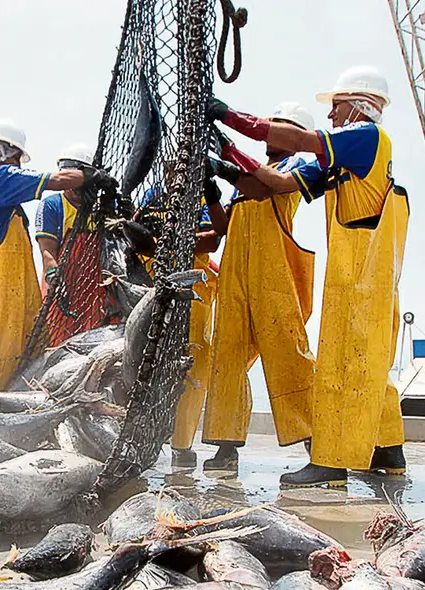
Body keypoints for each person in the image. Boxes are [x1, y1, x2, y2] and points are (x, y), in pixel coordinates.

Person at [208, 66, 408, 487]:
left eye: (335, 107)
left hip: (361, 274)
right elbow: (275, 185)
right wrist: (226, 156)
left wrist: (229, 116)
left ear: (358, 105)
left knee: (341, 361)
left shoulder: (364, 136)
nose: (332, 117)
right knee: (370, 362)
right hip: (361, 272)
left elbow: (299, 142)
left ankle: (331, 464)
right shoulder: (343, 156)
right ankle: (388, 450)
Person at [0, 120, 115, 414]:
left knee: (17, 359)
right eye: (17, 158)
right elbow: (55, 180)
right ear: (5, 151)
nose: (18, 165)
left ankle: (0, 419)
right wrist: (90, 176)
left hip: (6, 294)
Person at [200, 103, 317, 472]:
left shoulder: (295, 167)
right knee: (227, 356)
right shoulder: (247, 183)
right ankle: (226, 446)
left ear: (294, 134)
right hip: (236, 278)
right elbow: (224, 226)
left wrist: (225, 159)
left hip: (274, 279)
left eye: (277, 126)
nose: (270, 131)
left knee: (287, 355)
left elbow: (265, 187)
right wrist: (212, 188)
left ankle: (318, 443)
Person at [134, 167, 227, 468]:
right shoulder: (152, 197)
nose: (174, 171)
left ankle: (182, 444)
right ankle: (145, 436)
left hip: (193, 292)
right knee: (148, 361)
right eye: (169, 166)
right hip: (153, 288)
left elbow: (212, 240)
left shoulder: (201, 198)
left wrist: (167, 239)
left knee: (193, 363)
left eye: (180, 166)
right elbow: (140, 241)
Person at [34, 144, 98, 296]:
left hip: (96, 287)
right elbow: (47, 249)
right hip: (61, 284)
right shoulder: (52, 205)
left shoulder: (103, 207)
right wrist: (53, 275)